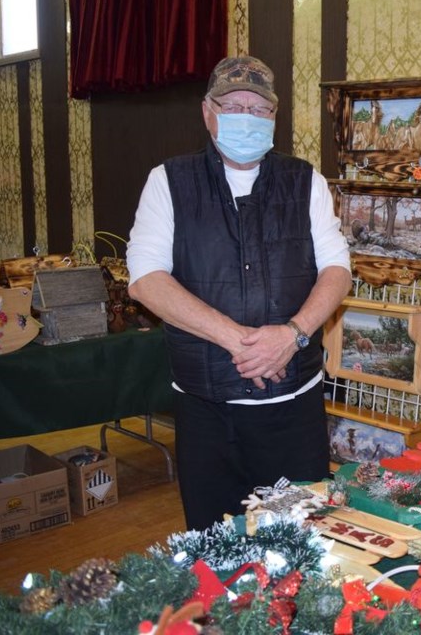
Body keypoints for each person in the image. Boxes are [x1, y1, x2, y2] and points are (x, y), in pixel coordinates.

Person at [126, 56, 352, 530]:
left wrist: (292, 334)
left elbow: (337, 268)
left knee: (302, 542)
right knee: (216, 543)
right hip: (207, 410)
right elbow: (146, 278)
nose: (245, 117)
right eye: (232, 105)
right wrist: (237, 339)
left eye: (258, 108)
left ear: (274, 117)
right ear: (207, 111)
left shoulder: (305, 180)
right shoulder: (168, 181)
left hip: (294, 409)